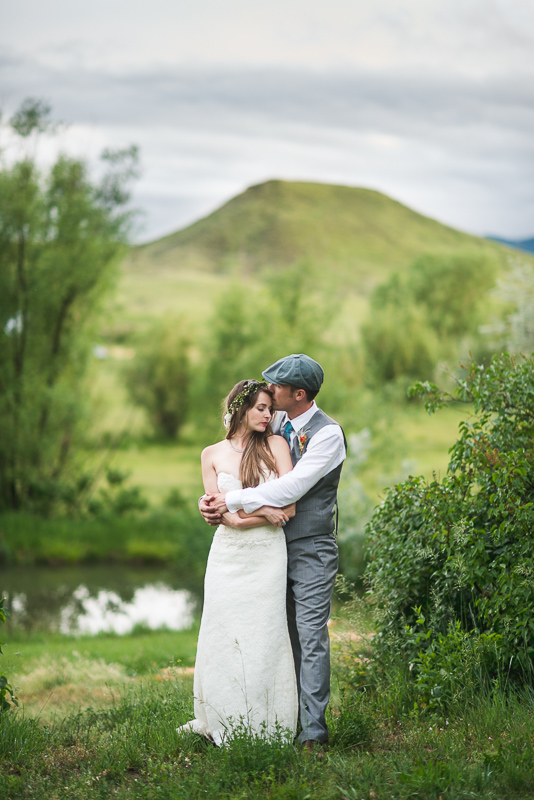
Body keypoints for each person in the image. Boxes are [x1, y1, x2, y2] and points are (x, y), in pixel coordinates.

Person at [201, 354, 346, 753]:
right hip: (272, 548)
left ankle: (313, 733)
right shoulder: (275, 420)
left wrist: (230, 501)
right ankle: (275, 718)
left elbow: (290, 489)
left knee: (311, 636)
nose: (270, 394)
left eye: (277, 388)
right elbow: (240, 448)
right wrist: (209, 501)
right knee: (274, 635)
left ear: (299, 394)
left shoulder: (329, 434)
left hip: (311, 547)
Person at [179, 379, 298, 746]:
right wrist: (264, 509)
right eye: (261, 408)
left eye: (270, 409)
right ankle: (223, 717)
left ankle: (269, 721)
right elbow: (222, 515)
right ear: (241, 408)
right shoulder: (211, 454)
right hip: (227, 556)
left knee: (265, 632)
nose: (268, 415)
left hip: (267, 556)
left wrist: (252, 512)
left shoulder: (276, 446)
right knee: (223, 631)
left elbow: (290, 507)